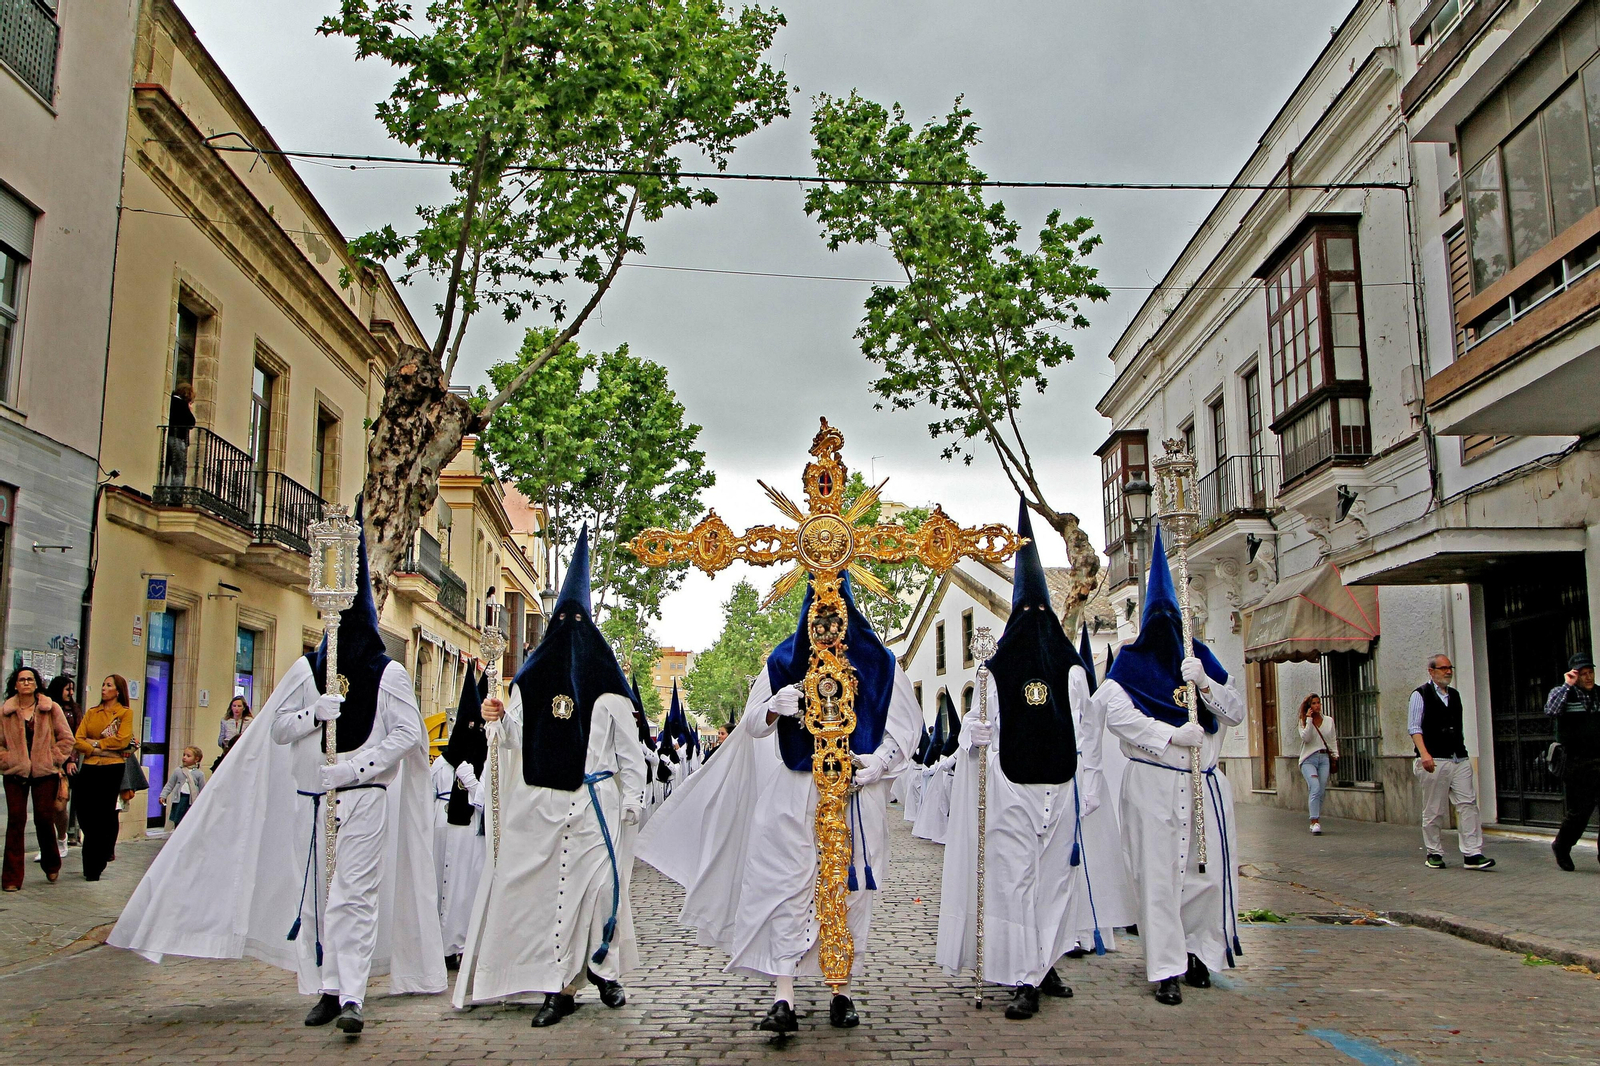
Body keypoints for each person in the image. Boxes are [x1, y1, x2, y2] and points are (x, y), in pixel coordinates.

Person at [109, 505, 444, 1035]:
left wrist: (355, 766)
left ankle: (353, 993)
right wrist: (315, 712)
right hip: (314, 801)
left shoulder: (390, 673)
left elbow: (408, 737)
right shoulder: (309, 669)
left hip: (366, 799)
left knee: (353, 895)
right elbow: (279, 728)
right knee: (316, 896)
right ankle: (326, 987)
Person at [637, 575, 920, 1034]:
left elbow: (906, 728)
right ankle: (783, 993)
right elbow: (751, 724)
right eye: (819, 611)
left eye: (835, 610)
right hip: (795, 789)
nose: (827, 621)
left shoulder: (883, 663)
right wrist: (773, 706)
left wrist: (878, 762)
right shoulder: (783, 660)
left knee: (849, 890)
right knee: (785, 884)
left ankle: (840, 988)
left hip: (853, 792)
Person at [938, 502, 1131, 1019]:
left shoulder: (1070, 668)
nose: (1036, 624)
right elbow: (975, 733)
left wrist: (1090, 780)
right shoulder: (993, 671)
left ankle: (1045, 963)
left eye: (1040, 616)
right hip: (1010, 789)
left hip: (1061, 787)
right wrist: (973, 737)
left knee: (1054, 882)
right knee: (1014, 880)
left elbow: (1087, 727)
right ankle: (1022, 974)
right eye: (1029, 616)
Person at [452, 527, 647, 1027]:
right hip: (544, 808)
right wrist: (498, 715)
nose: (569, 629)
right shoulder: (530, 680)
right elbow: (518, 739)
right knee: (553, 900)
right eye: (563, 620)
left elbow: (632, 756)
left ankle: (602, 968)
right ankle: (558, 988)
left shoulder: (609, 690)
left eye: (577, 621)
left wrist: (633, 799)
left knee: (598, 895)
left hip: (596, 807)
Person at [1095, 527, 1246, 1006]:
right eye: (1155, 615)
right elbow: (1114, 713)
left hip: (1203, 782)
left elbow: (1235, 711)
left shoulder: (1200, 657)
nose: (1163, 623)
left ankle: (1199, 952)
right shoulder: (1130, 663)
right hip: (1154, 782)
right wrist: (1167, 735)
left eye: (1169, 615)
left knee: (1206, 874)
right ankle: (1165, 968)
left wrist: (1204, 684)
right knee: (1158, 876)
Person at [1408, 654, 1494, 871]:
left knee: (1468, 805)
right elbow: (1414, 728)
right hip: (1434, 759)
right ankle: (1434, 852)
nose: (1448, 671)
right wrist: (1424, 754)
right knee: (1434, 809)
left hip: (1458, 757)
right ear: (1431, 671)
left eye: (1450, 668)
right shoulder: (1420, 695)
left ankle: (1473, 853)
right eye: (1443, 668)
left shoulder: (1454, 695)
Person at [433, 664, 487, 969]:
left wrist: (473, 784)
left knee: (469, 888)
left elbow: (490, 799)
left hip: (476, 832)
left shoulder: (487, 761)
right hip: (450, 827)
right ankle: (446, 943)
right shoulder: (444, 763)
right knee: (449, 887)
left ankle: (467, 942)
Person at [1, 668, 74, 890]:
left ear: (36, 684)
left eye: (30, 679)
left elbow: (67, 738)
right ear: (15, 685)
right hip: (15, 771)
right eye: (21, 680)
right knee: (15, 820)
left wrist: (53, 759)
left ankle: (52, 863)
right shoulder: (6, 711)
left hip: (44, 772)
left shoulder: (50, 708)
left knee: (43, 818)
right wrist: (7, 760)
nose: (26, 683)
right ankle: (11, 878)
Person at [73, 676, 133, 882]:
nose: (104, 688)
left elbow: (123, 739)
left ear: (118, 691)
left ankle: (93, 866)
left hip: (112, 768)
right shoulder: (92, 713)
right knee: (83, 811)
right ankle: (96, 851)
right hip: (89, 767)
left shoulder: (124, 713)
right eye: (103, 684)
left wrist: (96, 745)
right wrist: (93, 747)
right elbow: (78, 740)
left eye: (109, 686)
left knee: (103, 814)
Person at [1545, 652, 1600, 871]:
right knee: (1581, 811)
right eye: (1583, 674)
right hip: (1577, 763)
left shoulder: (1599, 694)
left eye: (1590, 673)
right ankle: (1562, 846)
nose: (1588, 678)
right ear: (1574, 675)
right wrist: (1568, 686)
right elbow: (1551, 710)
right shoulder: (1562, 693)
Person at [912, 691, 962, 844]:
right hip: (946, 780)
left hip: (952, 781)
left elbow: (945, 765)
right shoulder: (949, 748)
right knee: (944, 809)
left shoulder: (958, 748)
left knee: (949, 810)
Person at [44, 676, 81, 853]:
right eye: (68, 689)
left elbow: (76, 737)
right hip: (45, 761)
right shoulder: (47, 708)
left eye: (72, 689)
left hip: (65, 762)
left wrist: (71, 759)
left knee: (60, 805)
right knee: (44, 806)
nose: (71, 693)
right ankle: (47, 845)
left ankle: (62, 837)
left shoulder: (74, 710)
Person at [1297, 694, 1338, 835]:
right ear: (1309, 707)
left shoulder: (1329, 721)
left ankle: (1315, 819)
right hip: (1308, 759)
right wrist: (1308, 720)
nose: (1317, 706)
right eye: (1314, 703)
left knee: (1321, 790)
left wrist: (1335, 755)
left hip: (1324, 758)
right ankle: (1315, 821)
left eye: (1318, 703)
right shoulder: (1303, 721)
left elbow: (1332, 739)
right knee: (1314, 787)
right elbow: (1306, 738)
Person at [157, 746, 206, 828]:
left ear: (196, 759)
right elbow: (170, 784)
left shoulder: (199, 774)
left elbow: (203, 789)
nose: (184, 757)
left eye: (188, 756)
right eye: (184, 755)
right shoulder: (178, 771)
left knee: (189, 820)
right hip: (179, 799)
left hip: (191, 800)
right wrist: (163, 795)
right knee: (178, 819)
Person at [164, 382, 196, 485]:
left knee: (166, 466)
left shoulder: (170, 400)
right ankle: (176, 497)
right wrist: (189, 410)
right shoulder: (182, 404)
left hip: (168, 438)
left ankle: (163, 487)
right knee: (179, 472)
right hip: (178, 440)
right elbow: (191, 423)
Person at [215, 696, 253, 766]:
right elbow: (220, 738)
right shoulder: (225, 721)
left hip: (243, 751)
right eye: (234, 706)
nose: (236, 709)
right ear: (231, 707)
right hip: (228, 750)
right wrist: (225, 745)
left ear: (244, 708)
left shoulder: (249, 721)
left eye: (239, 706)